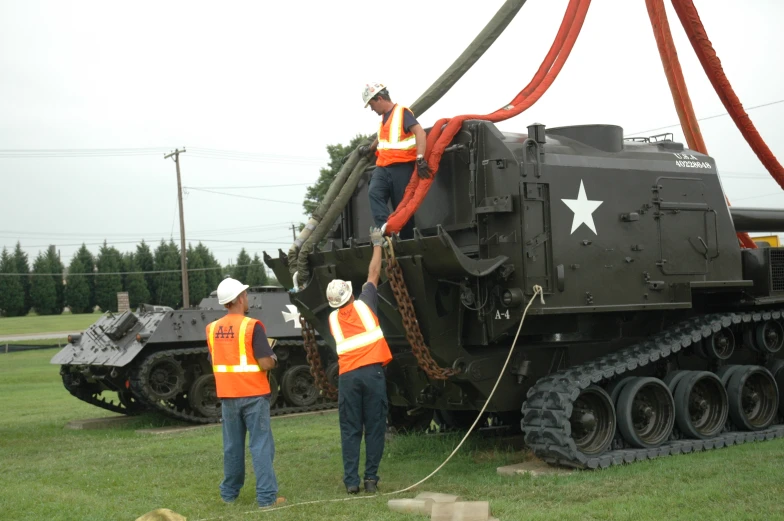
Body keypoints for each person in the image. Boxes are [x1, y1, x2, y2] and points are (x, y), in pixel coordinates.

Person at [205, 278, 285, 509]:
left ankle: (229, 494)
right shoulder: (252, 326)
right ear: (240, 298)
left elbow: (216, 360)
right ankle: (267, 498)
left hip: (228, 396)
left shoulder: (212, 329)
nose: (247, 298)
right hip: (254, 394)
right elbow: (265, 363)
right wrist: (274, 358)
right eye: (246, 295)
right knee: (261, 446)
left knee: (232, 446)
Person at [326, 226, 393, 494]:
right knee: (375, 427)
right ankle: (371, 480)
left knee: (350, 429)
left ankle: (351, 483)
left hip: (348, 378)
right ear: (350, 295)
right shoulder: (365, 304)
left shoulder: (332, 320)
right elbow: (374, 274)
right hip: (372, 375)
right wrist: (377, 244)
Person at [359, 82, 431, 240]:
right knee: (374, 193)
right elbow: (382, 136)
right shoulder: (385, 117)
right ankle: (386, 231)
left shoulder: (402, 112)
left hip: (402, 168)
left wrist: (420, 159)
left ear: (379, 98)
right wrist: (370, 149)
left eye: (371, 105)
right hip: (382, 167)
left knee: (402, 208)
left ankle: (407, 242)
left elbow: (420, 133)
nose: (371, 109)